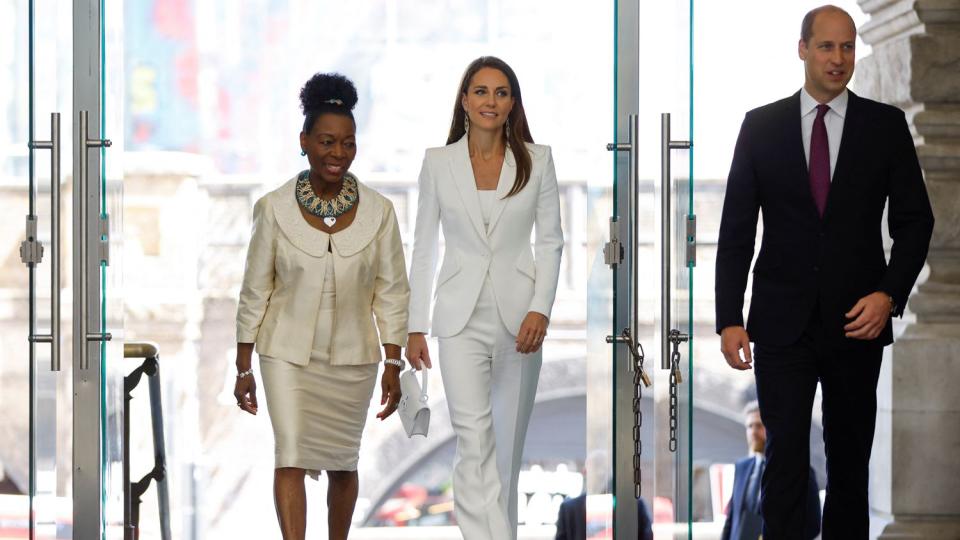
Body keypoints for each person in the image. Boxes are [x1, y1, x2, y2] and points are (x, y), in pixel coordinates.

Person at [715, 5, 934, 538]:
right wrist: (729, 319)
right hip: (780, 325)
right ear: (802, 49)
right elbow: (737, 230)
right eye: (827, 47)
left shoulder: (885, 127)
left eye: (848, 47)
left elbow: (916, 221)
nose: (839, 59)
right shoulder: (760, 127)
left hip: (857, 323)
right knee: (784, 460)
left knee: (849, 465)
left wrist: (888, 295)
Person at [232, 73, 409, 540]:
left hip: (354, 359)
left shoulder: (380, 212)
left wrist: (394, 362)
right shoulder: (273, 209)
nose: (338, 153)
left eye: (348, 143)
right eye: (327, 141)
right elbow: (255, 288)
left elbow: (392, 292)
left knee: (343, 462)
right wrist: (243, 364)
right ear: (304, 141)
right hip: (285, 354)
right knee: (289, 453)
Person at [405, 56, 563, 540]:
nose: (490, 101)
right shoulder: (438, 162)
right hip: (457, 318)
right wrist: (414, 325)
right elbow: (425, 245)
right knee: (473, 443)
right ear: (464, 100)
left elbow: (551, 241)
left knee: (507, 452)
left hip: (521, 321)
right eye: (480, 91)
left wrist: (541, 307)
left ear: (513, 103)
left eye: (500, 92)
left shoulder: (538, 160)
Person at [722, 402, 821, 540]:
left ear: (773, 429)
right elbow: (731, 519)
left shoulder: (799, 470)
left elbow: (813, 524)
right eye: (749, 426)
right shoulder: (741, 468)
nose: (753, 432)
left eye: (759, 425)